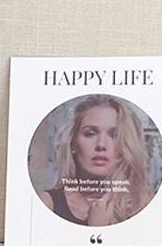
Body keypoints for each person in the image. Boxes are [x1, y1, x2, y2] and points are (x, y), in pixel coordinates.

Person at [39, 95, 155, 226]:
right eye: (90, 134)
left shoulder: (144, 202)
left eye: (114, 136)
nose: (101, 144)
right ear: (73, 143)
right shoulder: (48, 204)